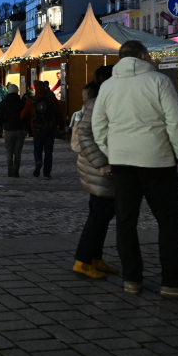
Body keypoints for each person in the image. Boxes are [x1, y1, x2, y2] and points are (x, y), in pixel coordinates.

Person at [92, 40, 178, 298]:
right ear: (143, 56)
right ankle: (172, 281)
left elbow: (98, 125)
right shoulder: (158, 81)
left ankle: (132, 279)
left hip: (122, 163)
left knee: (126, 221)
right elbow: (175, 120)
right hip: (156, 161)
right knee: (169, 221)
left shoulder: (108, 85)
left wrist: (111, 150)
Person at [71, 66, 118, 279]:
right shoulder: (98, 102)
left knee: (103, 214)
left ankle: (95, 258)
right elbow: (85, 134)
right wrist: (101, 163)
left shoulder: (103, 99)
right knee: (99, 215)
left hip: (99, 167)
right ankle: (83, 260)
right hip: (98, 168)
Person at [21, 81, 66, 178]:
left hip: (37, 129)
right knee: (48, 151)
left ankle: (38, 161)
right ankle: (47, 173)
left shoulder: (31, 100)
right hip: (51, 129)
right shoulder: (51, 99)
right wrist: (62, 127)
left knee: (37, 148)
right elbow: (60, 114)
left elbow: (22, 115)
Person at [0, 84, 26, 177]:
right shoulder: (21, 102)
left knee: (9, 150)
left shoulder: (4, 102)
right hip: (20, 128)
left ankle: (10, 169)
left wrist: (3, 124)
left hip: (9, 129)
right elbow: (26, 115)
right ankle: (16, 170)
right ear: (17, 91)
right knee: (18, 151)